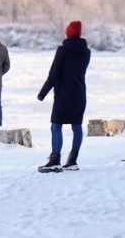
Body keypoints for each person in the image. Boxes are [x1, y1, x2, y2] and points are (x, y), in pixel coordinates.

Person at [36, 21, 91, 172]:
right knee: (77, 126)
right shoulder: (87, 52)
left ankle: (55, 160)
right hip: (79, 94)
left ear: (68, 33)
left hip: (63, 95)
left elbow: (54, 74)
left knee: (56, 126)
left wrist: (42, 93)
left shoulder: (63, 50)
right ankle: (72, 161)